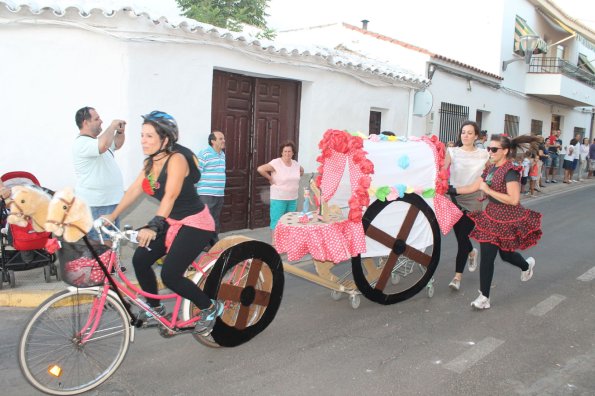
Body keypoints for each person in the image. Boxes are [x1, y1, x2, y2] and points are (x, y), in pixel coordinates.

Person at [103, 111, 223, 335]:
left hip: (195, 223)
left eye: (149, 136)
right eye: (142, 135)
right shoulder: (150, 163)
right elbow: (133, 191)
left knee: (170, 274)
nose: (143, 141)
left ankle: (210, 307)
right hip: (172, 221)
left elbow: (170, 195)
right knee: (140, 259)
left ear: (165, 139)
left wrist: (154, 225)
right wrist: (111, 216)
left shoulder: (176, 159)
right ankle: (155, 308)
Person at [454, 134, 542, 310]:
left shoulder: (510, 171)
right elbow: (473, 187)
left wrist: (488, 190)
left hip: (508, 217)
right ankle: (484, 297)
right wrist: (448, 189)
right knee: (487, 257)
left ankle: (526, 265)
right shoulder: (490, 169)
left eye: (494, 149)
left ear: (505, 151)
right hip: (491, 216)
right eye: (489, 148)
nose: (490, 152)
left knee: (506, 255)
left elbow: (513, 199)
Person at [443, 121, 489, 291]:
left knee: (463, 237)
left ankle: (457, 277)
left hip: (474, 199)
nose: (466, 135)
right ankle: (471, 252)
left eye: (470, 133)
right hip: (454, 197)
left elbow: (492, 171)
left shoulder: (484, 154)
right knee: (460, 237)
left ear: (476, 136)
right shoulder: (452, 152)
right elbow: (443, 170)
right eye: (463, 132)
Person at [73, 106, 126, 242]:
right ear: (85, 123)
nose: (101, 121)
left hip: (110, 201)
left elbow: (116, 144)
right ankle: (106, 264)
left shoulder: (98, 142)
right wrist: (112, 126)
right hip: (97, 204)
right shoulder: (82, 143)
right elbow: (103, 145)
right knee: (102, 244)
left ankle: (113, 264)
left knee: (113, 241)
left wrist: (119, 132)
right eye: (97, 119)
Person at [257, 141, 304, 242]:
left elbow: (302, 171)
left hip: (292, 198)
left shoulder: (296, 164)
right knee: (277, 221)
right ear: (282, 153)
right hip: (279, 198)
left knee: (290, 221)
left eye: (289, 151)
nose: (287, 153)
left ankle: (286, 242)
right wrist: (270, 178)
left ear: (293, 153)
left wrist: (294, 179)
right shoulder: (276, 163)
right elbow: (260, 169)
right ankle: (275, 243)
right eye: (285, 151)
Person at [196, 130, 226, 247]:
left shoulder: (222, 154)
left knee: (214, 219)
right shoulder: (205, 154)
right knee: (205, 220)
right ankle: (203, 244)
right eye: (220, 139)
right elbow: (196, 173)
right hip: (206, 194)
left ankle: (212, 243)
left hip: (219, 194)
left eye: (223, 138)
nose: (223, 141)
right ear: (213, 141)